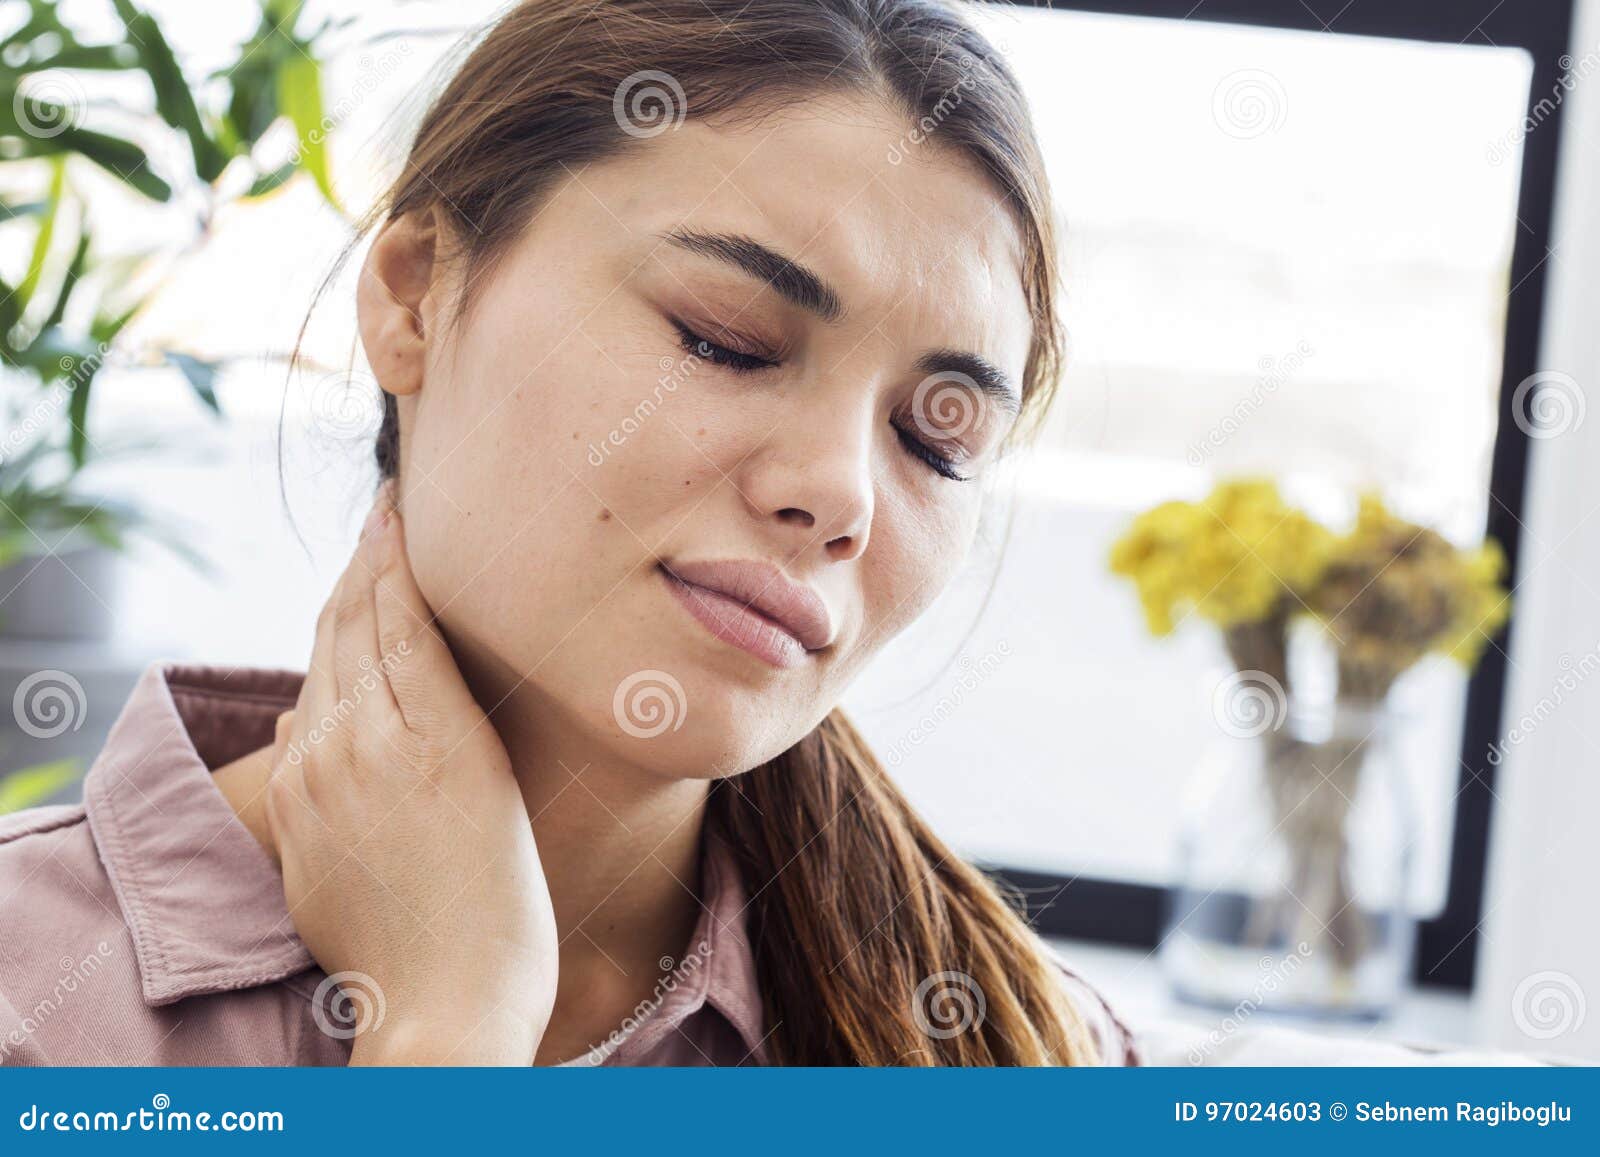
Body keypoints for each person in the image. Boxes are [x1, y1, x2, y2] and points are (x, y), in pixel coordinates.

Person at [0, 0, 1137, 1066]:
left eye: (936, 439)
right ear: (416, 294)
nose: (839, 494)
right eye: (724, 337)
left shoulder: (1046, 1052)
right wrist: (452, 1028)